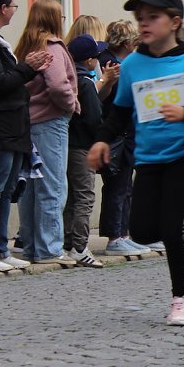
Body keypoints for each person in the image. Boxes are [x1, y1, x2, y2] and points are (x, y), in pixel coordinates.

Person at [88, 0, 184, 326]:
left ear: (174, 22)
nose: (143, 24)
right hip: (150, 157)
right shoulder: (134, 64)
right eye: (140, 18)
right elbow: (120, 113)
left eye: (152, 17)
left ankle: (183, 300)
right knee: (140, 231)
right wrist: (101, 141)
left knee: (171, 226)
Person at [0, 0, 52, 272]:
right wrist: (27, 67)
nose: (14, 12)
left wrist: (31, 71)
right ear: (3, 8)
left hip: (10, 127)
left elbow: (10, 83)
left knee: (6, 190)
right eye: (14, 6)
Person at [15, 0, 80, 266]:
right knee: (53, 186)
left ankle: (32, 247)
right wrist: (72, 104)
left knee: (31, 187)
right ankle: (50, 249)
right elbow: (56, 85)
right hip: (51, 122)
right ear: (54, 18)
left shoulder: (26, 46)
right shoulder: (52, 46)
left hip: (28, 122)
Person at [97, 20, 153, 256]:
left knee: (125, 186)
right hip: (117, 132)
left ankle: (124, 233)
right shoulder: (110, 63)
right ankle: (114, 236)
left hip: (128, 132)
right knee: (117, 186)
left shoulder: (121, 62)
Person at [64, 35, 106, 267]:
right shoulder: (87, 84)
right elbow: (94, 118)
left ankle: (68, 240)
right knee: (85, 196)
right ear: (89, 60)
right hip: (82, 146)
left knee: (72, 195)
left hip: (69, 144)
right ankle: (79, 246)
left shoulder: (71, 79)